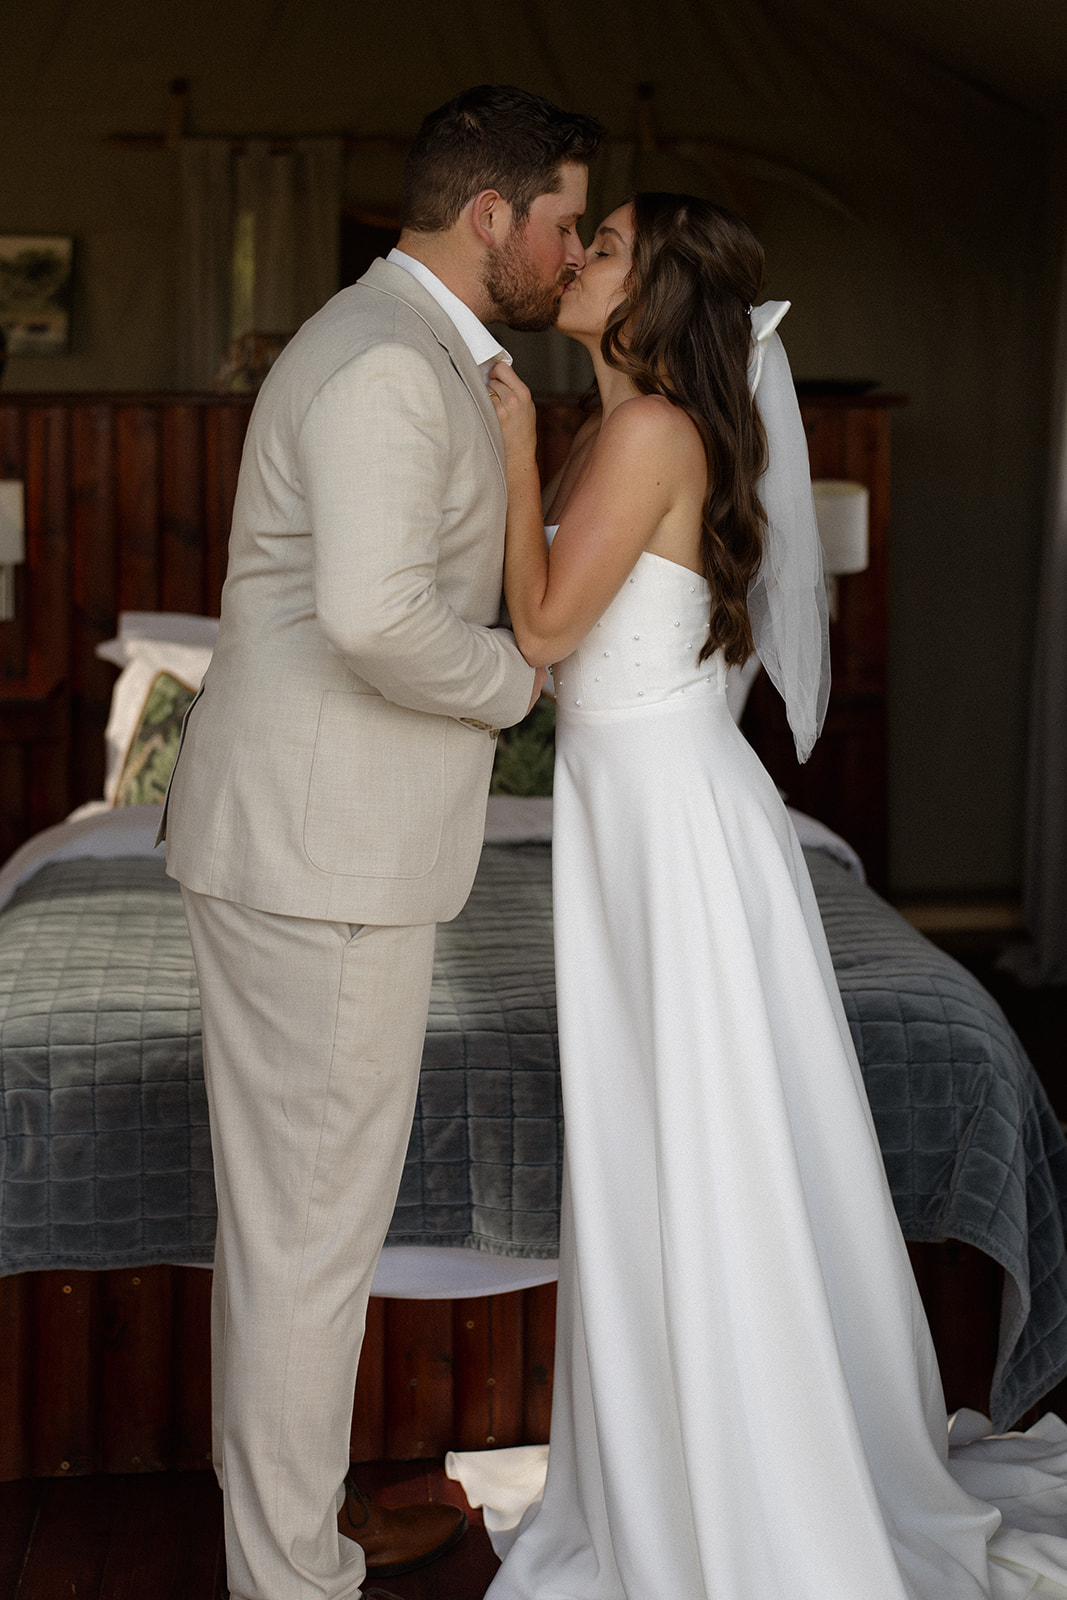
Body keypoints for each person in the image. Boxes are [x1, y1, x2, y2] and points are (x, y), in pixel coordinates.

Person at [482, 193, 1067, 1598]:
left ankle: (750, 1476)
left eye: (605, 244)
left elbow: (547, 634)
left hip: (672, 830)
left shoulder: (642, 432)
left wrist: (508, 456)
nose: (576, 256)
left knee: (698, 1141)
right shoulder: (632, 428)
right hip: (642, 819)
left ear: (652, 296)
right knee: (665, 1141)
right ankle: (685, 1455)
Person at [160, 84, 603, 1600]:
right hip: (316, 855)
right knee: (304, 1247)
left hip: (319, 845)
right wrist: (517, 679)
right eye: (561, 221)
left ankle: (289, 1540)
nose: (570, 250)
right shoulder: (384, 369)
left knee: (298, 1237)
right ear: (492, 217)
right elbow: (371, 621)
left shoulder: (417, 353)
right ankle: (289, 1582)